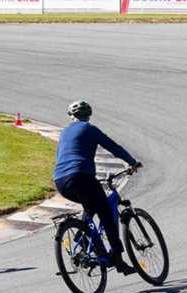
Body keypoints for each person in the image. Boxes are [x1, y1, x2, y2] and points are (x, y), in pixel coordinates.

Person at [53, 100, 142, 275]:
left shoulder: (64, 133)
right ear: (88, 115)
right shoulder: (89, 129)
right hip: (81, 177)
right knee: (107, 215)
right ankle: (118, 259)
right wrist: (132, 163)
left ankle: (83, 236)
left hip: (61, 181)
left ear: (71, 116)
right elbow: (113, 147)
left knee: (91, 205)